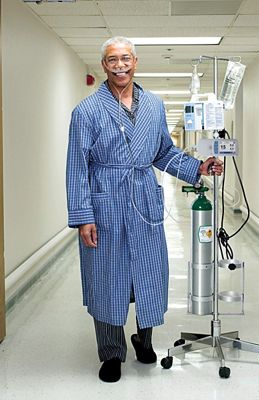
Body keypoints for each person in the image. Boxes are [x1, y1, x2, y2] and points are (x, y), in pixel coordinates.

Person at [66, 36, 223, 383]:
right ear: (103, 65)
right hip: (105, 202)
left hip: (143, 200)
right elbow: (77, 167)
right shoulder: (86, 112)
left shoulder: (153, 105)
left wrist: (197, 167)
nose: (119, 65)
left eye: (125, 58)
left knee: (149, 273)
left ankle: (144, 339)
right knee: (108, 276)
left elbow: (163, 152)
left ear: (135, 61)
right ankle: (111, 352)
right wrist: (83, 218)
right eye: (111, 60)